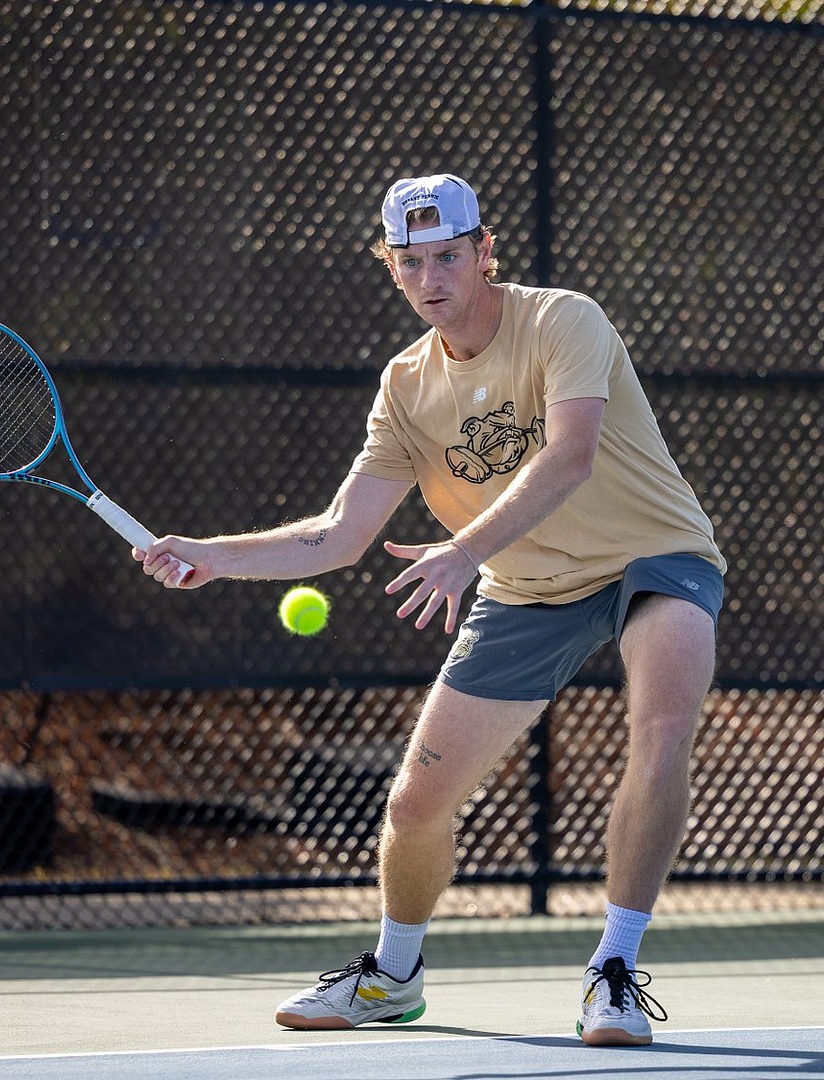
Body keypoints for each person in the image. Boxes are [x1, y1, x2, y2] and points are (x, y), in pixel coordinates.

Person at [136, 173, 726, 1047]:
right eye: (411, 262)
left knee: (660, 725)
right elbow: (340, 534)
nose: (431, 277)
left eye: (449, 255)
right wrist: (210, 557)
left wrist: (463, 552)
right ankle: (393, 975)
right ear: (393, 271)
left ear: (485, 253)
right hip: (526, 591)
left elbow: (570, 457)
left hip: (653, 556)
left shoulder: (564, 319)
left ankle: (614, 970)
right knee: (415, 805)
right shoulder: (406, 387)